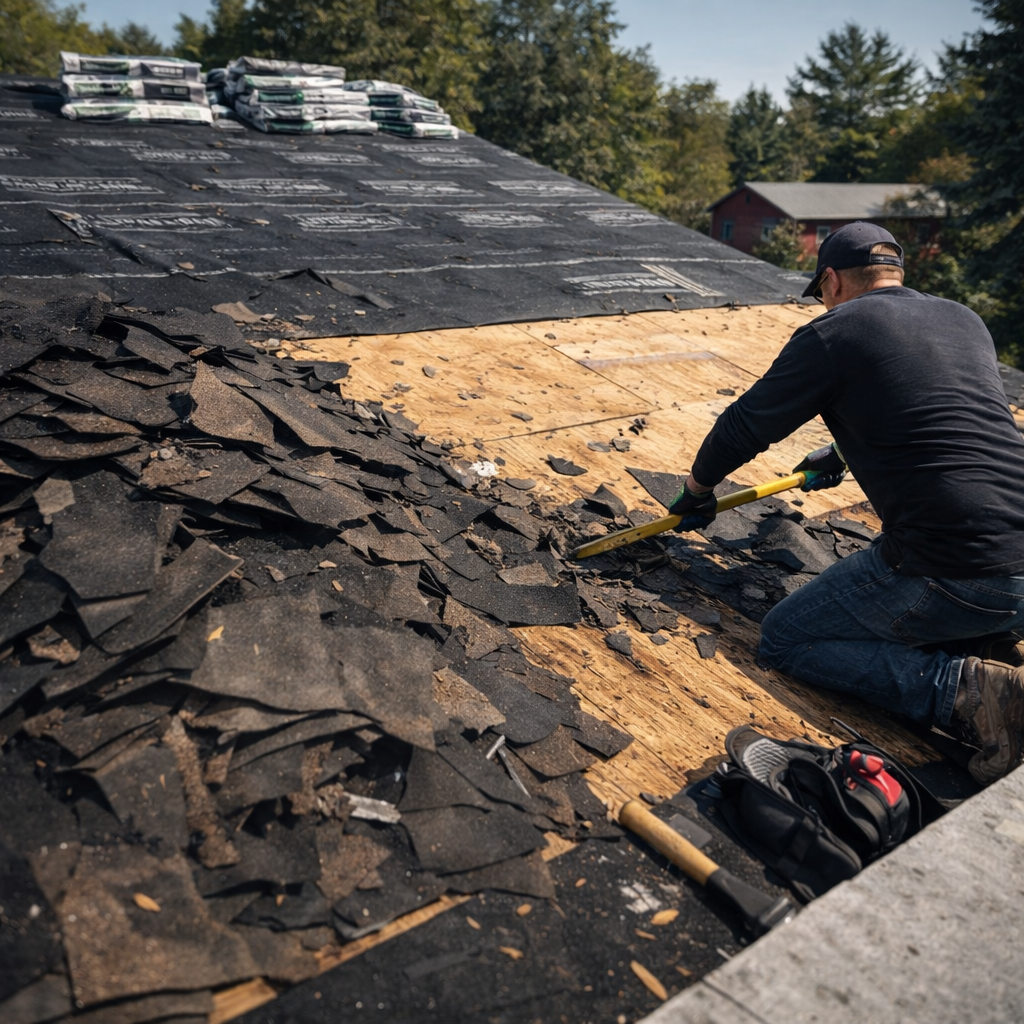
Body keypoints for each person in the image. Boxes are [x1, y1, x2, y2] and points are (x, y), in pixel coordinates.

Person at [668, 221, 1024, 785]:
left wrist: (697, 492)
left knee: (787, 639)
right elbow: (947, 413)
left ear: (830, 279)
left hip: (959, 568)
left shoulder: (834, 332)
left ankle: (974, 691)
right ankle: (986, 637)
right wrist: (841, 449)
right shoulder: (964, 319)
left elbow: (744, 426)